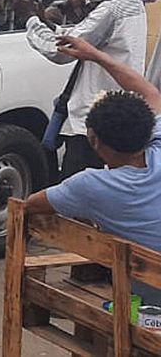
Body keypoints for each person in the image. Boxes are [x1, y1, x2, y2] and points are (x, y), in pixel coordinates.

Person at [26, 35, 161, 303]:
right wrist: (96, 55)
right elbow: (150, 93)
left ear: (95, 141)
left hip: (148, 306)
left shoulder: (91, 186)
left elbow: (29, 205)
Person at [14, 0, 147, 178]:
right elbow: (83, 36)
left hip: (93, 125)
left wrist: (29, 19)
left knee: (76, 201)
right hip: (116, 121)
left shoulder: (111, 10)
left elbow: (62, 51)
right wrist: (48, 23)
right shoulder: (134, 6)